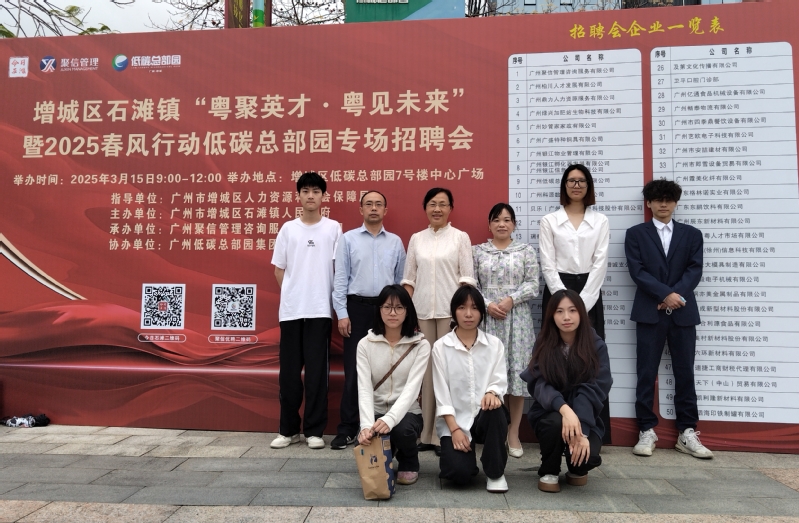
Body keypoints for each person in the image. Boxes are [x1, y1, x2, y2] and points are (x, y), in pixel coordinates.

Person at [625, 179, 712, 459]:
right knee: (645, 373)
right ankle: (646, 430)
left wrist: (676, 296)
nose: (663, 204)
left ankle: (687, 432)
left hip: (683, 313)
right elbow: (638, 271)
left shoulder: (692, 234)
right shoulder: (635, 234)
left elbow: (694, 270)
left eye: (669, 199)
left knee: (685, 372)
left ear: (675, 203)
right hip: (649, 312)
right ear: (648, 203)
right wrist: (665, 294)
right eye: (658, 199)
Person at [539, 163, 612, 443]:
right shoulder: (549, 220)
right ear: (564, 185)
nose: (576, 185)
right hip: (557, 290)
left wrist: (582, 304)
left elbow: (600, 263)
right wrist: (564, 303)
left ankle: (591, 431)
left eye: (582, 181)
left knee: (590, 358)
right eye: (571, 181)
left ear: (589, 186)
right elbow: (548, 264)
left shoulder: (600, 221)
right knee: (555, 356)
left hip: (590, 291)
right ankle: (556, 427)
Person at [402, 187, 476, 455]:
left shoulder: (460, 237)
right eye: (432, 204)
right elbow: (409, 280)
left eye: (443, 204)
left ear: (450, 209)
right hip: (421, 314)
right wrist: (407, 314)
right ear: (425, 208)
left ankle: (446, 432)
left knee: (448, 372)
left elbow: (466, 278)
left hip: (449, 314)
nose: (437, 209)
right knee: (425, 374)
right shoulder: (416, 239)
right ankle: (427, 434)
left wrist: (462, 314)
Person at [270, 172, 341, 450]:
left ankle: (314, 431)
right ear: (298, 196)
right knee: (288, 375)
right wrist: (294, 292)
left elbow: (339, 270)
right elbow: (279, 269)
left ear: (324, 196)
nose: (311, 196)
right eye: (306, 191)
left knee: (316, 375)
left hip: (320, 310)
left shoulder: (333, 229)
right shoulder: (288, 229)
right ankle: (288, 430)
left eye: (316, 191)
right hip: (290, 312)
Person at [331, 191, 406, 450]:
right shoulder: (348, 239)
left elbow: (400, 282)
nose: (374, 208)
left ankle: (386, 426)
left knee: (387, 367)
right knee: (354, 370)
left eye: (378, 204)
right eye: (369, 204)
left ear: (385, 210)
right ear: (361, 209)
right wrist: (342, 313)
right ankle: (348, 428)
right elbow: (340, 279)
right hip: (357, 309)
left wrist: (398, 312)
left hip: (387, 310)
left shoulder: (395, 242)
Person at [520, 290, 612, 493]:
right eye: (559, 311)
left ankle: (575, 467)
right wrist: (564, 410)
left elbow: (596, 386)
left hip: (585, 415)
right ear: (552, 316)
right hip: (551, 412)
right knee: (554, 422)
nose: (566, 317)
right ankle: (549, 469)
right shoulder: (544, 342)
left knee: (586, 459)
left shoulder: (596, 345)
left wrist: (582, 429)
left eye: (572, 310)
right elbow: (539, 383)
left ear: (581, 313)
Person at [473, 203, 539, 458]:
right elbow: (470, 283)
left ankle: (513, 432)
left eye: (507, 219)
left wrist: (511, 299)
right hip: (487, 320)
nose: (502, 224)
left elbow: (533, 284)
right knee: (488, 373)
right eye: (497, 220)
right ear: (489, 224)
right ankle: (492, 429)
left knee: (516, 375)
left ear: (514, 224)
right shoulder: (477, 251)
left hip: (517, 320)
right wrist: (487, 304)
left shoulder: (525, 251)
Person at [432, 285, 509, 493]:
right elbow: (442, 395)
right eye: (462, 308)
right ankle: (466, 462)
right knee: (458, 474)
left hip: (485, 418)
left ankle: (495, 472)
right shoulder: (441, 347)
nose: (468, 314)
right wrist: (455, 430)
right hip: (456, 421)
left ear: (482, 313)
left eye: (474, 308)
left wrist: (492, 392)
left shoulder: (494, 344)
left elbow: (499, 379)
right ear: (453, 311)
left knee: (496, 410)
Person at [356, 285, 430, 485]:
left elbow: (412, 389)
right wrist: (366, 426)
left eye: (399, 307)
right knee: (366, 439)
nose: (392, 313)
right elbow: (364, 388)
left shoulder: (420, 345)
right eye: (387, 307)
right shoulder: (365, 344)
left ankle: (409, 460)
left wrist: (390, 419)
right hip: (376, 412)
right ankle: (388, 447)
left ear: (407, 311)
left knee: (401, 430)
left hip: (408, 413)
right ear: (379, 310)